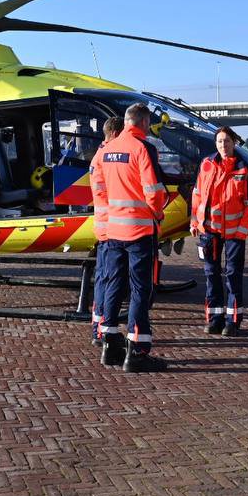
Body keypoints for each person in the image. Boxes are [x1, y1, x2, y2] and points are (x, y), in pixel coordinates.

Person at [90, 103, 169, 372]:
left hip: (113, 231)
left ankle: (109, 344)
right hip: (139, 231)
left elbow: (99, 191)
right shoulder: (143, 148)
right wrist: (158, 213)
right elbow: (154, 191)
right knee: (139, 289)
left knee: (113, 285)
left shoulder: (106, 150)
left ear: (125, 122)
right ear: (144, 123)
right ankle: (137, 350)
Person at [190, 127, 248, 336]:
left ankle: (233, 321)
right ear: (215, 144)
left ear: (233, 143)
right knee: (211, 274)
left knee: (232, 275)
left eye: (226, 141)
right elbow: (197, 194)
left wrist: (242, 230)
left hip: (234, 233)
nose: (223, 145)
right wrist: (194, 221)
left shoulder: (243, 168)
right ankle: (214, 319)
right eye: (220, 141)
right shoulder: (207, 164)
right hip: (209, 230)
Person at [88, 116, 123, 349]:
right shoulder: (108, 157)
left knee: (102, 278)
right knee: (109, 280)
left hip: (103, 226)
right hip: (112, 227)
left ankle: (97, 327)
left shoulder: (99, 155)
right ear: (116, 134)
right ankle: (101, 330)